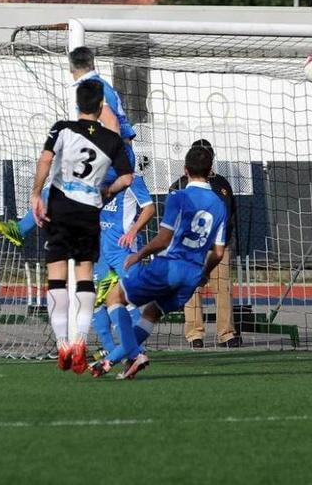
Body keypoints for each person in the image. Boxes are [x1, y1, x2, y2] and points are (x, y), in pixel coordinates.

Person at [90, 145, 227, 380]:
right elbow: (219, 252)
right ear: (211, 171)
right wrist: (205, 273)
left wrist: (139, 254)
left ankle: (135, 354)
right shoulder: (219, 205)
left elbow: (163, 240)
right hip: (192, 275)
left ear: (185, 170)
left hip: (169, 267)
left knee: (114, 297)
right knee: (151, 313)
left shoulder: (179, 197)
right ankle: (110, 361)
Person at [0, 46, 141, 246]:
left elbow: (111, 122)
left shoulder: (91, 87)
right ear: (92, 63)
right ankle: (104, 265)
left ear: (71, 69)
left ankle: (24, 230)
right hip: (122, 154)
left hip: (116, 156)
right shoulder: (101, 83)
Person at [32, 80, 133, 374]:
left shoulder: (62, 128)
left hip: (60, 207)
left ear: (79, 105)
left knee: (56, 276)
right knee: (86, 275)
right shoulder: (112, 140)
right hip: (89, 210)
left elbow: (45, 160)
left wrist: (36, 194)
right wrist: (107, 192)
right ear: (101, 106)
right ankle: (79, 341)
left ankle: (62, 343)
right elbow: (127, 178)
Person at [169, 140, 239, 348]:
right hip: (192, 249)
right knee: (191, 291)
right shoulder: (179, 186)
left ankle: (226, 334)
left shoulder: (222, 185)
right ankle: (195, 334)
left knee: (223, 290)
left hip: (218, 247)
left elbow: (230, 214)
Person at [90, 168, 155, 363]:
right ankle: (112, 350)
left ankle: (136, 350)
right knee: (98, 301)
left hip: (124, 250)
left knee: (128, 299)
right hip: (101, 249)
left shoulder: (132, 178)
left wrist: (133, 231)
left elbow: (149, 208)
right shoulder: (98, 174)